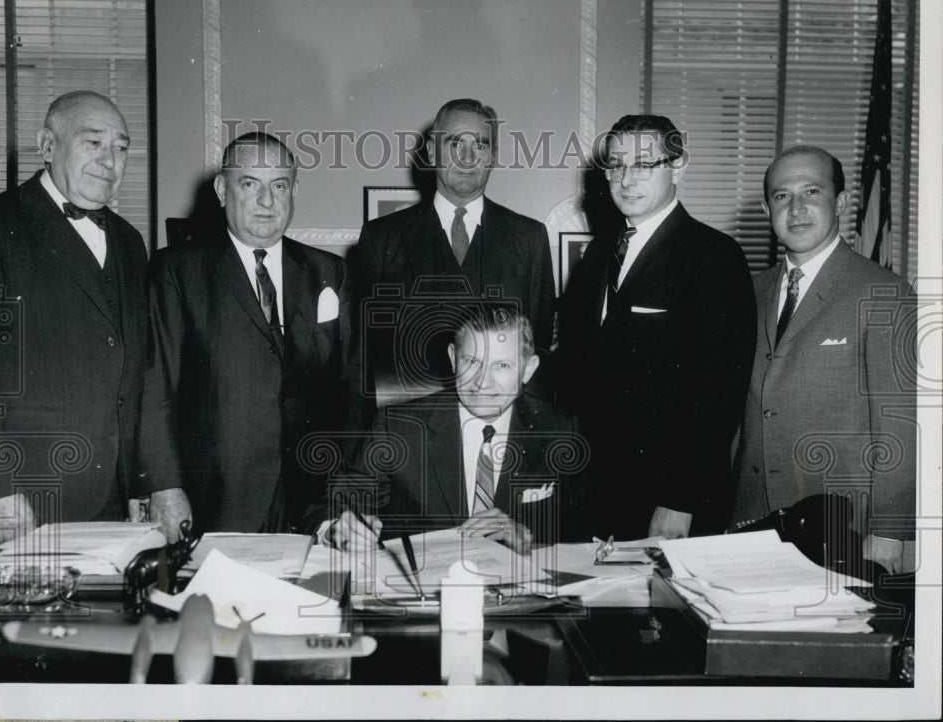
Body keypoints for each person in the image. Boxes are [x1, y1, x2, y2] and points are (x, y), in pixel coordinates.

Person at [0, 91, 188, 565]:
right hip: (20, 503)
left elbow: (141, 372)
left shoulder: (130, 243)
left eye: (121, 147)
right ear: (47, 145)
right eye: (92, 142)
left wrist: (145, 483)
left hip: (111, 506)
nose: (109, 161)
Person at [138, 132, 356, 534]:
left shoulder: (329, 272)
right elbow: (156, 388)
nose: (267, 201)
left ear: (294, 191)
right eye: (250, 183)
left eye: (279, 185)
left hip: (312, 501)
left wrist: (343, 493)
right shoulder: (178, 271)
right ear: (223, 189)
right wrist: (164, 488)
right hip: (217, 495)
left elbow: (348, 391)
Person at [557, 114, 756, 541]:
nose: (626, 178)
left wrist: (680, 502)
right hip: (593, 490)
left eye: (644, 164)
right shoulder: (598, 255)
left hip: (666, 501)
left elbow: (718, 396)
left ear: (678, 167)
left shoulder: (713, 256)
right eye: (615, 165)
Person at [730, 146, 916, 575]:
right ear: (765, 207)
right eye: (781, 196)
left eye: (812, 191)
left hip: (842, 531)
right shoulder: (747, 292)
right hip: (749, 523)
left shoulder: (883, 293)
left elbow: (900, 425)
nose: (796, 208)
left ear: (842, 202)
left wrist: (888, 534)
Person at [311, 305, 587, 553]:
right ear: (454, 359)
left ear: (528, 370)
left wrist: (527, 537)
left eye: (501, 365)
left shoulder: (559, 431)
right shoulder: (398, 429)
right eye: (472, 362)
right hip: (423, 597)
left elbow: (583, 531)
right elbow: (325, 509)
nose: (482, 383)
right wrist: (336, 529)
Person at [351, 98, 556, 407]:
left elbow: (535, 348)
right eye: (455, 143)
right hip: (410, 430)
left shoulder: (529, 237)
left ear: (493, 157)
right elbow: (362, 354)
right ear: (432, 152)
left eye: (481, 145)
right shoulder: (381, 238)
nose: (468, 157)